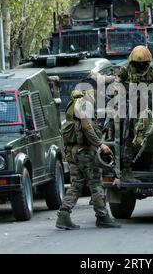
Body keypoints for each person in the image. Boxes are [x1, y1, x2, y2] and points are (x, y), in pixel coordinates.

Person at [56, 77, 121, 230]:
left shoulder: (72, 104)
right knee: (96, 183)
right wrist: (100, 144)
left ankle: (63, 215)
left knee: (77, 184)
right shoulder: (85, 104)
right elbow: (87, 128)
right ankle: (102, 216)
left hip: (73, 152)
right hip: (85, 152)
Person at [116, 45, 153, 176]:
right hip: (130, 106)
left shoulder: (152, 71)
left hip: (148, 106)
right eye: (137, 64)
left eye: (143, 64)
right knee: (128, 135)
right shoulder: (125, 70)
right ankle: (127, 168)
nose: (140, 66)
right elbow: (116, 84)